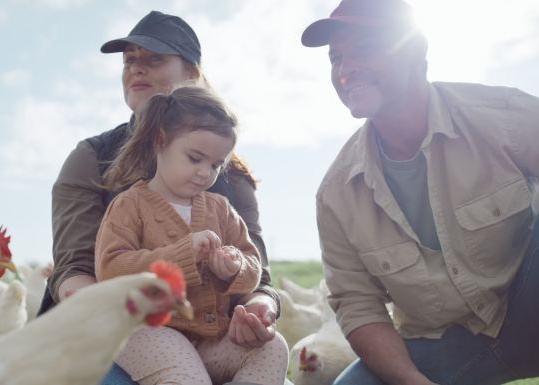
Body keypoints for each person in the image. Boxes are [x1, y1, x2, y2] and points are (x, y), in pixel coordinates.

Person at [301, 0, 539, 384]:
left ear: (414, 50)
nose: (345, 71)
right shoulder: (335, 195)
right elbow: (358, 306)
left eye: (363, 50)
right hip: (446, 345)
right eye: (336, 58)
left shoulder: (503, 117)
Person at [39, 11, 283, 384]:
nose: (137, 68)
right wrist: (118, 317)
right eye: (130, 60)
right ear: (160, 144)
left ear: (192, 73)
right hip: (114, 330)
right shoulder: (91, 158)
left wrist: (255, 311)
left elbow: (258, 273)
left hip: (211, 333)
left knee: (271, 351)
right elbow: (78, 268)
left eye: (154, 58)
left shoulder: (231, 176)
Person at [95, 85, 288, 385]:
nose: (205, 173)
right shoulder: (129, 205)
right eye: (195, 158)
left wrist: (235, 266)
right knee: (185, 376)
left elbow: (253, 263)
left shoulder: (221, 208)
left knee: (272, 347)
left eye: (215, 165)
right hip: (147, 333)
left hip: (210, 341)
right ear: (161, 142)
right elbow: (111, 270)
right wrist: (182, 255)